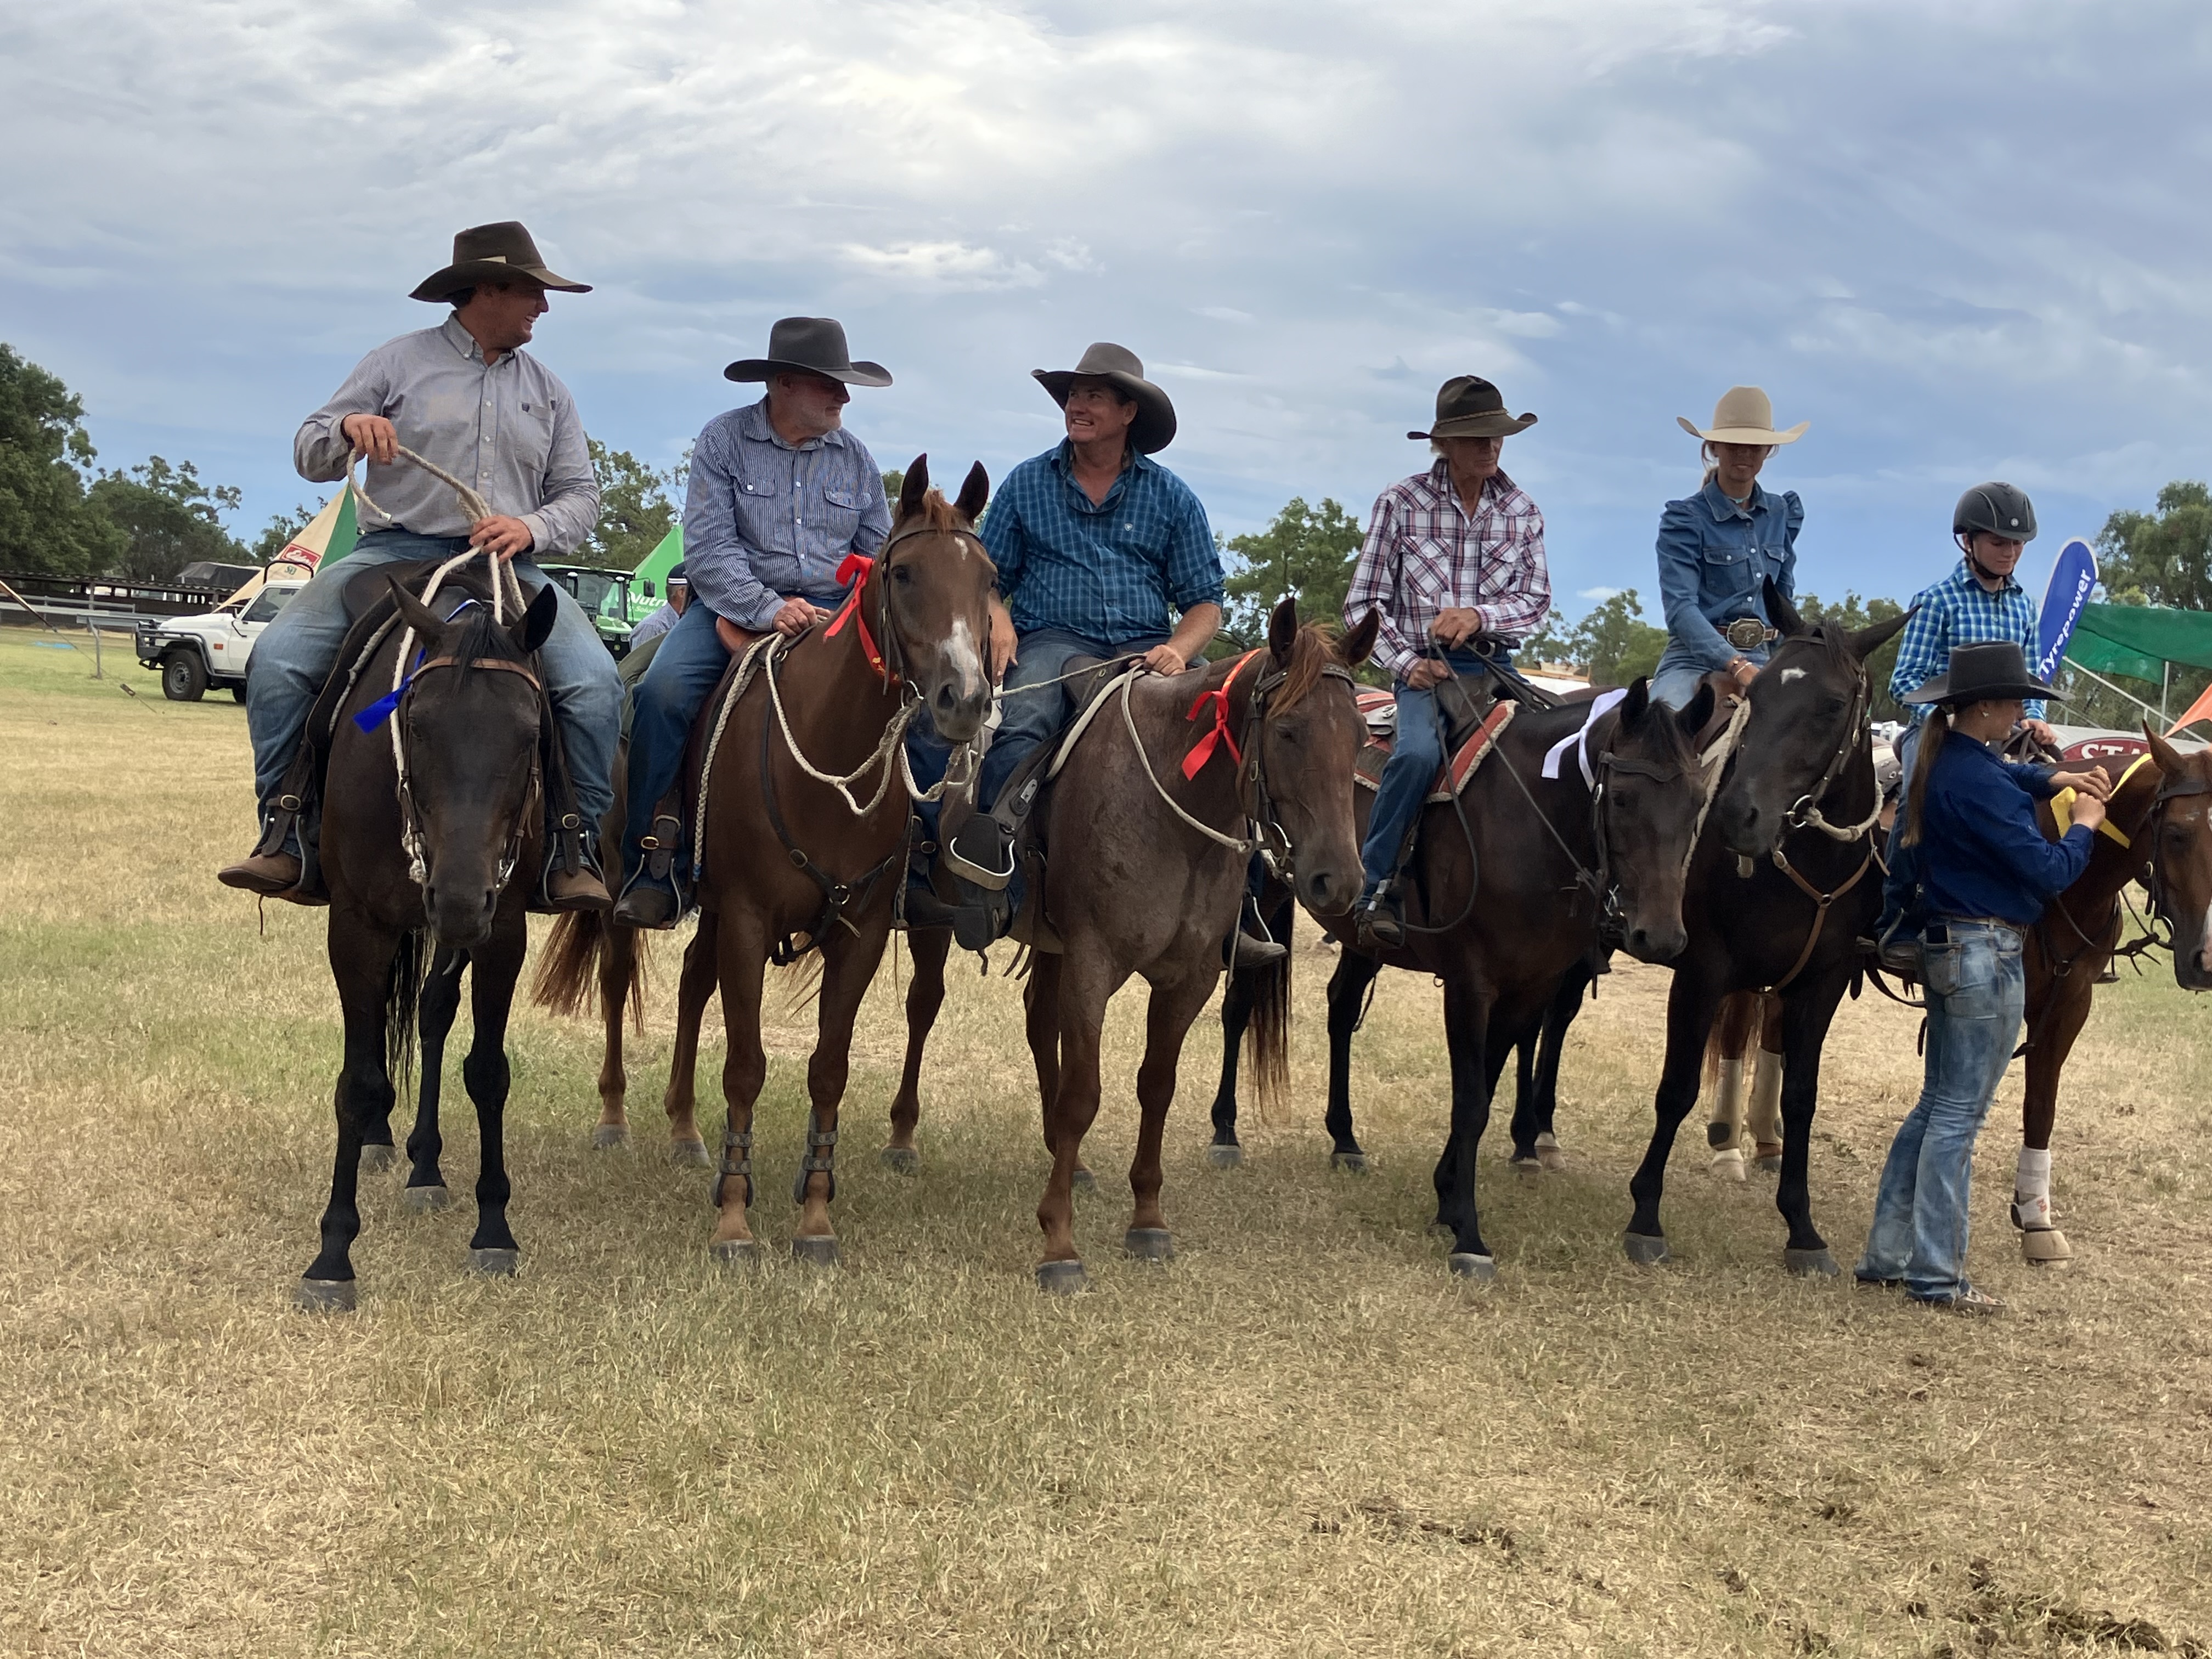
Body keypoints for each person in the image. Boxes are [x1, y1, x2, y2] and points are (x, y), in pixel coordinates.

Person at [219, 221, 617, 911]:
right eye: (531, 292)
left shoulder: (550, 392)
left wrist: (529, 527)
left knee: (596, 684)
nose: (543, 307)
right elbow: (309, 448)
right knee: (279, 659)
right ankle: (287, 834)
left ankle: (571, 848)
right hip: (391, 553)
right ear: (485, 290)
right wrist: (347, 429)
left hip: (506, 567)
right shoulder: (396, 363)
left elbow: (581, 497)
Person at [911, 342, 1255, 953]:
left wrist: (1180, 650)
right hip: (1053, 640)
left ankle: (1241, 909)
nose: (1077, 405)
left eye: (1094, 395)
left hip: (1149, 646)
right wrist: (998, 617)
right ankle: (995, 885)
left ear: (1128, 412)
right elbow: (986, 578)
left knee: (1238, 730)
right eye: (1073, 395)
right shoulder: (1027, 483)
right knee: (1021, 724)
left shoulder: (1172, 496)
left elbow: (1205, 602)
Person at [611, 318, 894, 929]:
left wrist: (853, 613)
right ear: (784, 384)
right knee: (662, 694)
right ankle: (653, 862)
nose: (844, 397)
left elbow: (879, 556)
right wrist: (769, 608)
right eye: (831, 384)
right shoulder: (724, 441)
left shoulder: (856, 459)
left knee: (910, 702)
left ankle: (908, 863)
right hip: (731, 605)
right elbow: (709, 551)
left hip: (834, 616)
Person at [1853, 642, 2111, 1314]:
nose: (2022, 710)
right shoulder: (1980, 781)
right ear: (1988, 707)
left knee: (1935, 1107)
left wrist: (2051, 780)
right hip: (1986, 955)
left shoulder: (1946, 763)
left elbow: (2006, 777)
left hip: (1948, 947)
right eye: (2016, 700)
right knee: (1959, 1119)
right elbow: (2050, 872)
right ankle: (1938, 1275)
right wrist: (2084, 827)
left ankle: (1887, 1255)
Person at [1344, 375, 1549, 948]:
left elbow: (1536, 602)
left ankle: (1571, 903)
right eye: (1478, 436)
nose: (1491, 446)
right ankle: (1377, 887)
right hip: (1428, 674)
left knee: (1559, 756)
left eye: (1497, 435)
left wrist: (1480, 616)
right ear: (1445, 443)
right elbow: (1362, 604)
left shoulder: (1523, 511)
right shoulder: (1401, 502)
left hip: (1498, 670)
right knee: (1415, 755)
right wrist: (1408, 665)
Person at [1648, 386, 1807, 710]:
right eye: (1734, 444)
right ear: (1714, 447)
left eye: (1755, 446)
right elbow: (1680, 608)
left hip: (1763, 657)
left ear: (1768, 451)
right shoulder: (1685, 518)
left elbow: (1783, 601)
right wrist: (1737, 665)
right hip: (1691, 661)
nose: (1744, 454)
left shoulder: (1781, 513)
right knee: (1664, 724)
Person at [628, 561, 690, 647]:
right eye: (696, 590)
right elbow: (643, 657)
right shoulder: (653, 628)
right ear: (682, 592)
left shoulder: (687, 623)